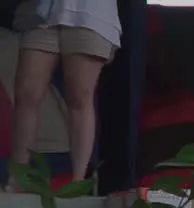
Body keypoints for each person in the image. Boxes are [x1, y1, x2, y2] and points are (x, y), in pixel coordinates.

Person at [9, 0, 120, 186]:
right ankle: (17, 178)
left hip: (89, 15)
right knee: (26, 93)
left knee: (79, 97)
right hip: (42, 13)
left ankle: (78, 182)